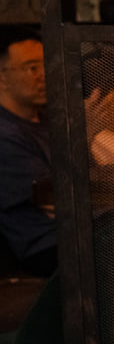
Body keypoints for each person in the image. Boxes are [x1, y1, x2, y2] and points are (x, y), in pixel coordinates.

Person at [0, 26, 56, 276]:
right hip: (46, 245)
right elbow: (54, 198)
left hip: (76, 231)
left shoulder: (49, 121)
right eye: (32, 68)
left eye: (45, 65)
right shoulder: (5, 133)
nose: (43, 75)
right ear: (2, 77)